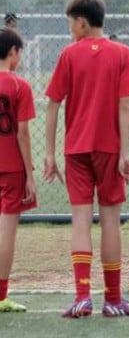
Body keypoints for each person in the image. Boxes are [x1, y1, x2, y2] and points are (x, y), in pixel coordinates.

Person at [43, 0, 129, 318]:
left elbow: (54, 104)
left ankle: (82, 297)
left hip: (76, 149)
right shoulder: (122, 53)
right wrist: (124, 153)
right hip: (110, 148)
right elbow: (125, 106)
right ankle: (113, 300)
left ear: (82, 22)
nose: (70, 29)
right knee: (111, 220)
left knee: (80, 220)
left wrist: (49, 153)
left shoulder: (69, 54)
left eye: (70, 23)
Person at [0, 27, 36, 312]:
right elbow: (22, 134)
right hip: (11, 167)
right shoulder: (19, 86)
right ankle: (1, 296)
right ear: (13, 52)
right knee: (7, 231)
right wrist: (30, 175)